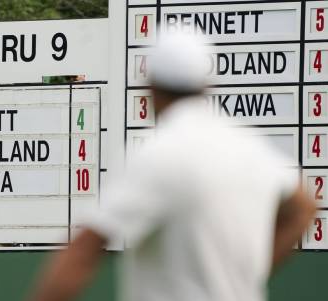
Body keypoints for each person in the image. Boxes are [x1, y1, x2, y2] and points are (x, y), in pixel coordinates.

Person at [28, 33, 316, 301]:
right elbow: (303, 208)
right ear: (207, 85)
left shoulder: (159, 153)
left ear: (150, 87)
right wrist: (249, 273)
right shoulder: (251, 146)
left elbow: (84, 250)